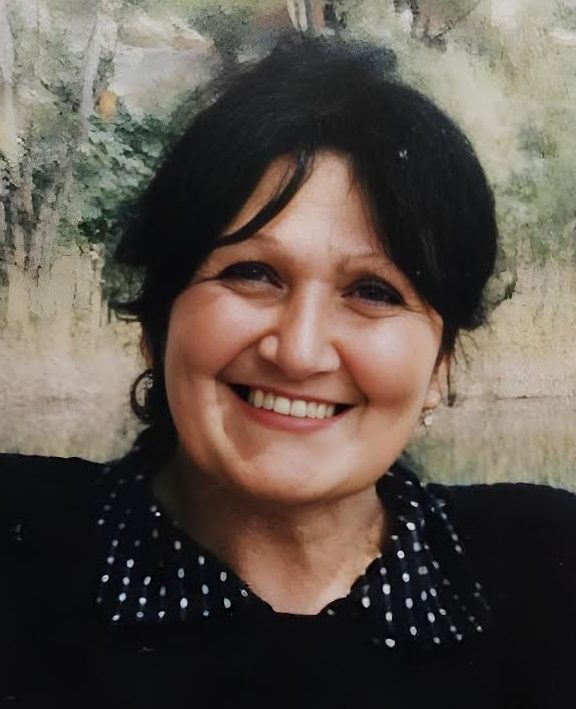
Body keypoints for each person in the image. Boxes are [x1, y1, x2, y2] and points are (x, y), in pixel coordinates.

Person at [1, 35, 576, 709]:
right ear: (157, 324)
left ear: (440, 365)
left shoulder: (547, 573)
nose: (299, 352)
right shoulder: (21, 548)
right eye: (252, 273)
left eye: (374, 291)